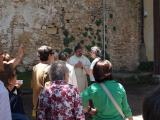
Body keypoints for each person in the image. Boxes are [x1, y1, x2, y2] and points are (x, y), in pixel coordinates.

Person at [31, 45, 54, 117]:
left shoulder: (35, 67)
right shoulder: (49, 69)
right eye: (52, 54)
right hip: (45, 104)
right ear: (49, 55)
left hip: (36, 101)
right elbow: (51, 89)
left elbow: (32, 84)